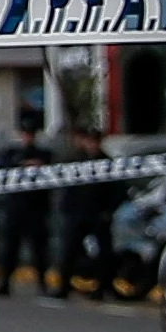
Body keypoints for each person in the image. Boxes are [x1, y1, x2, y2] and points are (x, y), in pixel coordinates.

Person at [0, 111, 59, 299]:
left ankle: (43, 284)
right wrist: (23, 164)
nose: (28, 137)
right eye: (25, 133)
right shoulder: (11, 153)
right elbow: (4, 170)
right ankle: (4, 282)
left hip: (36, 208)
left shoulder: (44, 154)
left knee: (39, 250)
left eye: (31, 133)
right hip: (15, 208)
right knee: (10, 248)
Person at [57, 125, 122, 298]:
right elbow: (68, 189)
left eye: (95, 142)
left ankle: (103, 287)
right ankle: (64, 286)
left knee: (104, 253)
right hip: (78, 214)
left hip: (99, 214)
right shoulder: (76, 162)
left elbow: (116, 190)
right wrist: (67, 209)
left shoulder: (106, 162)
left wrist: (109, 210)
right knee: (69, 251)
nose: (92, 145)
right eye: (89, 141)